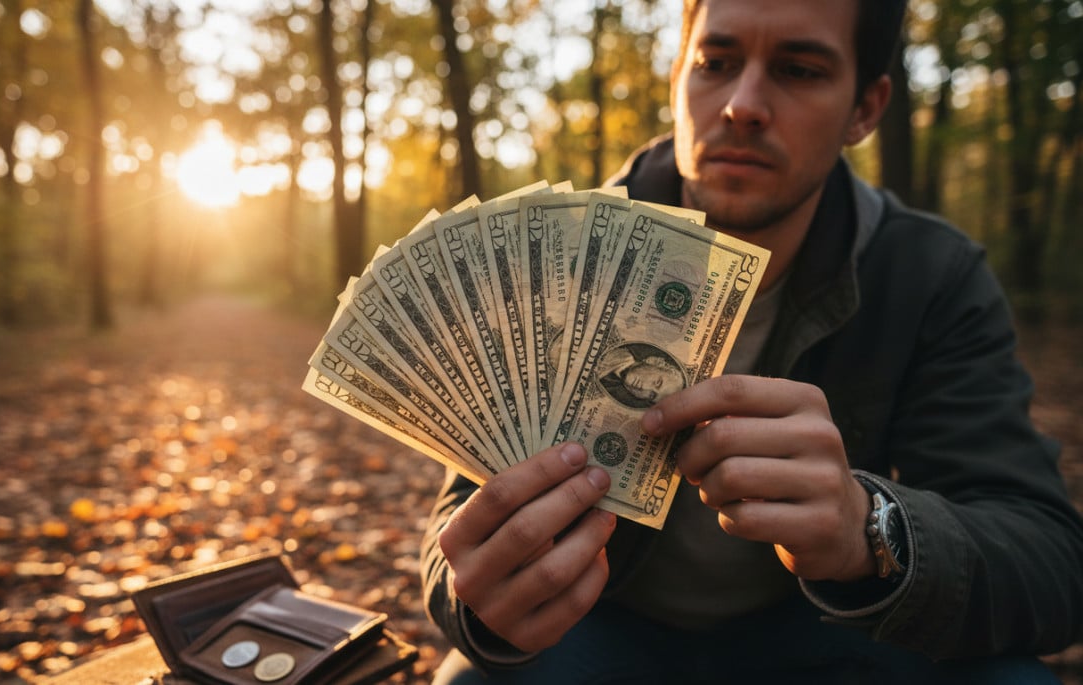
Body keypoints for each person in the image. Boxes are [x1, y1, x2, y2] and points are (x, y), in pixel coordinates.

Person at [420, 0, 1083, 682]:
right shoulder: (560, 255)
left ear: (866, 108)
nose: (742, 104)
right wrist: (479, 600)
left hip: (829, 631)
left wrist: (870, 528)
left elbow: (1050, 560)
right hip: (601, 624)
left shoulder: (929, 276)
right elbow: (457, 524)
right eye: (715, 63)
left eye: (799, 69)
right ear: (678, 77)